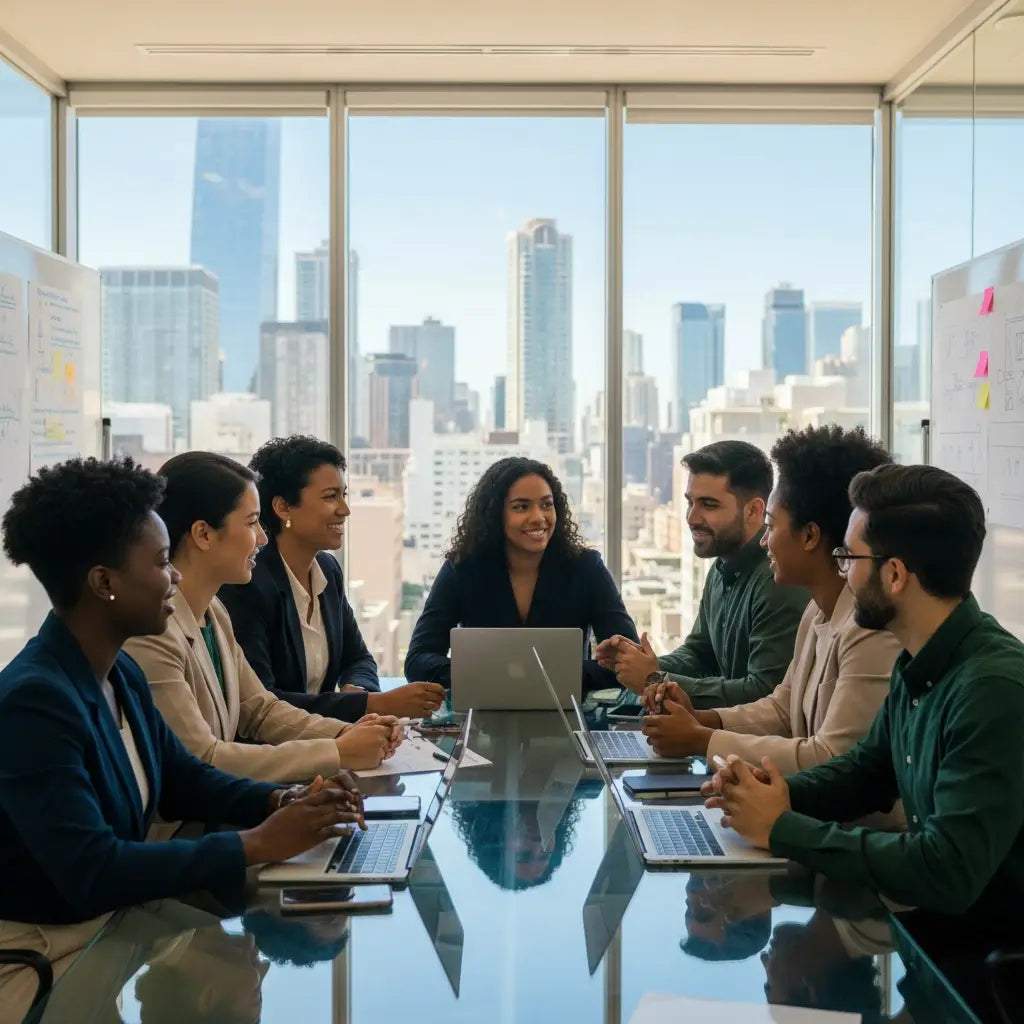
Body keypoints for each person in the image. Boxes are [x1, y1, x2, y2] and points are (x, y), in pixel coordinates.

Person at [0, 457, 365, 929]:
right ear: (103, 582)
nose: (174, 575)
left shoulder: (120, 674)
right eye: (159, 562)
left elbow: (183, 779)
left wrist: (281, 801)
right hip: (49, 955)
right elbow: (93, 870)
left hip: (114, 926)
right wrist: (256, 843)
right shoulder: (35, 704)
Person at [704, 464, 1024, 927]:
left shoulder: (991, 690)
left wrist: (782, 828)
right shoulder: (919, 658)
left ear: (894, 575)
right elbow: (865, 774)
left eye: (849, 559)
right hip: (934, 939)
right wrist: (762, 795)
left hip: (983, 973)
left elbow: (946, 868)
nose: (842, 573)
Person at [641, 426, 902, 797]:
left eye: (771, 526)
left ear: (810, 536)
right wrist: (702, 719)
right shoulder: (818, 611)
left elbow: (830, 757)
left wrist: (703, 739)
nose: (764, 541)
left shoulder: (870, 629)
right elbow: (782, 709)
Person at [124, 452, 399, 787]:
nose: (263, 538)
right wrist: (338, 751)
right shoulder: (153, 632)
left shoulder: (213, 612)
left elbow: (260, 710)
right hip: (186, 831)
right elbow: (204, 759)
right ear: (203, 534)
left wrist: (352, 732)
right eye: (252, 523)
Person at [220, 436, 445, 721]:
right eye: (330, 496)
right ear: (283, 507)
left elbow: (359, 658)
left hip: (328, 742)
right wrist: (372, 704)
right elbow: (265, 701)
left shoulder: (327, 569)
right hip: (277, 753)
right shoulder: (248, 583)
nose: (345, 509)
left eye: (344, 495)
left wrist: (358, 689)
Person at [597, 440, 807, 709]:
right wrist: (639, 661)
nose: (691, 517)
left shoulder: (779, 580)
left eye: (708, 505)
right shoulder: (721, 567)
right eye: (690, 502)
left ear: (754, 510)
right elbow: (700, 654)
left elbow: (764, 693)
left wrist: (654, 679)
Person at [404, 457, 638, 690]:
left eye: (547, 504)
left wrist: (540, 677)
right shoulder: (462, 569)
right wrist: (489, 676)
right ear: (495, 514)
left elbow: (629, 660)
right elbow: (418, 660)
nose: (538, 517)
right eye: (521, 507)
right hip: (484, 709)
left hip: (567, 711)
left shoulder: (586, 568)